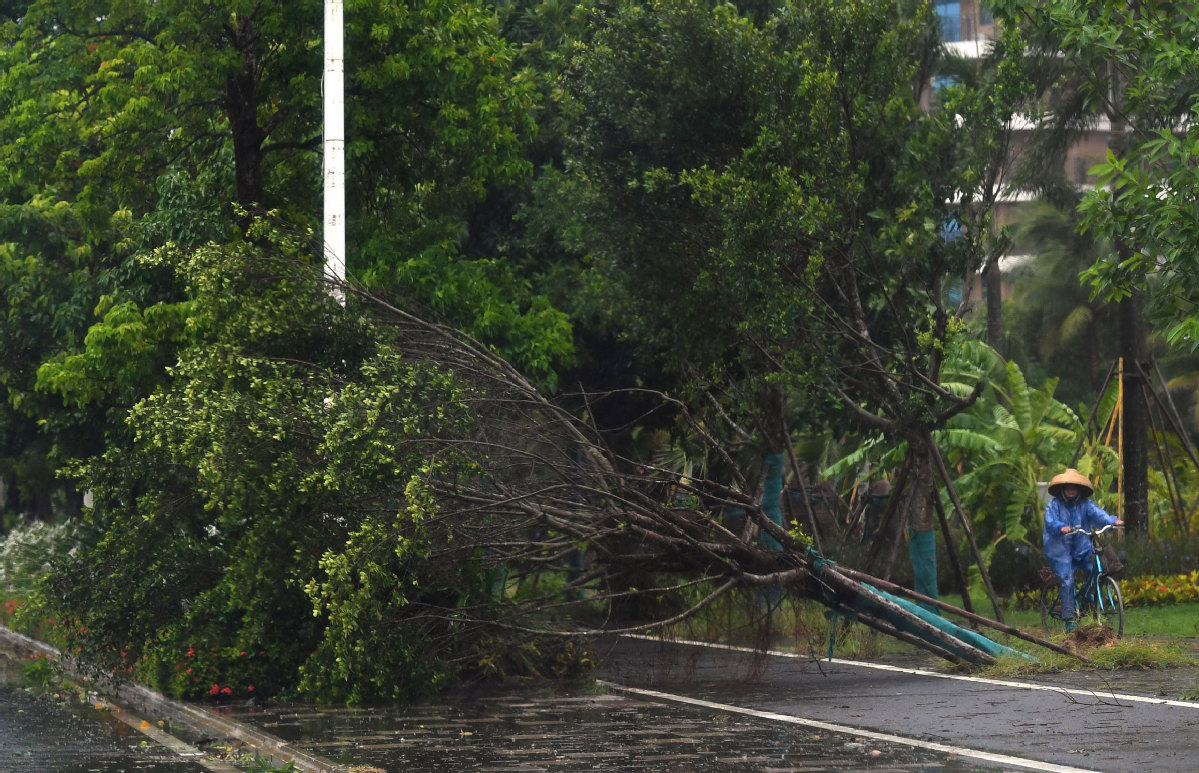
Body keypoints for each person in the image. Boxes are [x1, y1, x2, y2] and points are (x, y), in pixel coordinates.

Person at [1042, 468, 1123, 632]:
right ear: (1063, 489)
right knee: (1067, 580)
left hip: (1081, 547)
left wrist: (1112, 522)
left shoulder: (1085, 505)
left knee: (1097, 569)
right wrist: (1060, 527)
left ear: (1079, 489)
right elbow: (1050, 522)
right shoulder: (1054, 505)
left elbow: (1099, 516)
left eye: (1074, 487)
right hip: (1059, 549)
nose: (1071, 490)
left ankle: (1089, 598)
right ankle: (1069, 618)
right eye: (1068, 487)